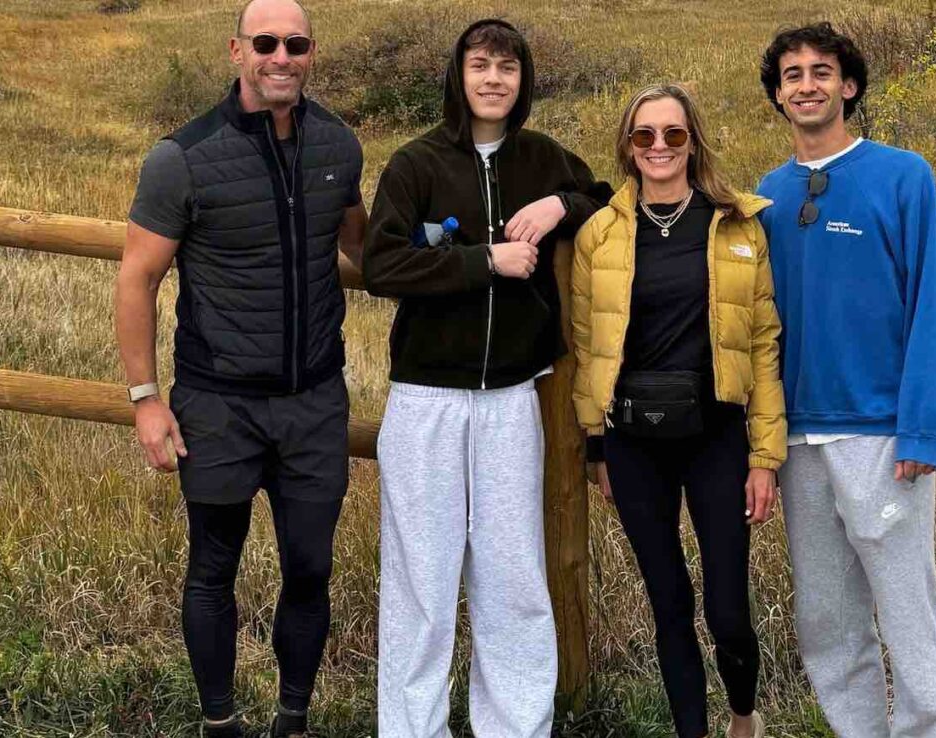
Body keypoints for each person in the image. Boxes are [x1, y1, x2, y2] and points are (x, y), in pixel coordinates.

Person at [113, 0, 365, 735]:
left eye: (296, 43)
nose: (280, 56)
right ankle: (219, 722)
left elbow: (364, 248)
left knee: (310, 568)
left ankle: (294, 719)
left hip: (314, 401)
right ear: (236, 51)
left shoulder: (337, 146)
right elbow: (137, 280)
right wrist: (145, 400)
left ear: (312, 53)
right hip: (219, 405)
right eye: (265, 42)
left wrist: (473, 247)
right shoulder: (182, 157)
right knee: (212, 569)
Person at [359, 18, 612, 738]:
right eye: (480, 65)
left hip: (510, 398)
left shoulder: (544, 159)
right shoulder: (416, 164)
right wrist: (482, 262)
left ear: (524, 79)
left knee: (513, 578)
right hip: (427, 398)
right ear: (458, 76)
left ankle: (517, 726)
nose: (494, 79)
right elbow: (382, 265)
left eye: (508, 67)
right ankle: (413, 729)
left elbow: (606, 202)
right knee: (421, 581)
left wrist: (562, 204)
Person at [756, 22, 936, 738]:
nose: (805, 85)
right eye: (791, 76)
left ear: (848, 85)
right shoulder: (768, 195)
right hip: (800, 440)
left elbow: (933, 305)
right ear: (777, 96)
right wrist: (762, 441)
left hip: (881, 436)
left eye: (820, 72)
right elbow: (757, 328)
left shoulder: (905, 176)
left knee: (907, 613)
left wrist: (922, 427)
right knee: (827, 622)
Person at [571, 83, 785, 738]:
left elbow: (763, 343)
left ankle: (743, 718)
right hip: (634, 442)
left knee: (727, 609)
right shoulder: (599, 234)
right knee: (669, 603)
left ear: (693, 141)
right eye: (644, 135)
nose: (658, 147)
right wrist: (596, 448)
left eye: (673, 134)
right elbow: (587, 345)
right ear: (627, 147)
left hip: (717, 436)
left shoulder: (736, 224)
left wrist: (765, 458)